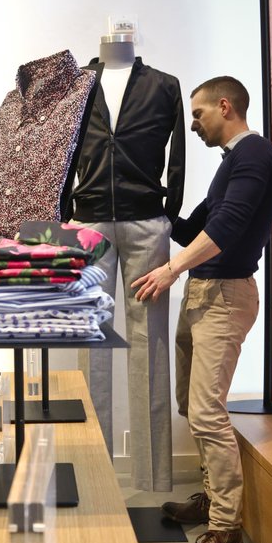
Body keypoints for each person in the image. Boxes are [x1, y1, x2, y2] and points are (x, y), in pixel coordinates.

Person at [132, 76, 272, 543]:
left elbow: (226, 228)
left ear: (225, 106)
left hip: (225, 295)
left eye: (197, 114)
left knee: (206, 413)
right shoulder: (231, 165)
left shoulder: (256, 155)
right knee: (192, 406)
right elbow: (194, 225)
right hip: (203, 293)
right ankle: (212, 496)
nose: (193, 124)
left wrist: (171, 269)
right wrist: (145, 197)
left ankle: (225, 535)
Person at [71, 33, 185, 492]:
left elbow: (176, 159)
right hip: (90, 222)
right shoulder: (76, 85)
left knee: (150, 344)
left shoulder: (164, 85)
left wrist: (169, 216)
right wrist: (64, 212)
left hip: (146, 221)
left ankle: (153, 479)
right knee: (91, 344)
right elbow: (60, 154)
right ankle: (92, 473)